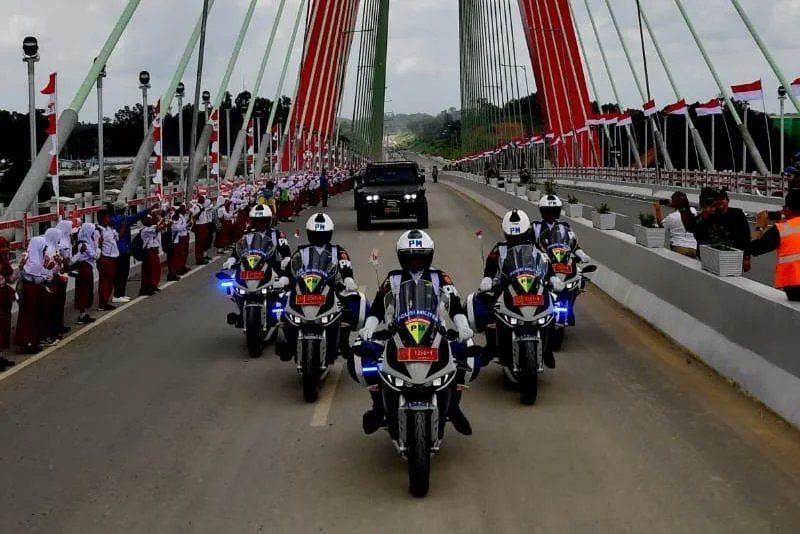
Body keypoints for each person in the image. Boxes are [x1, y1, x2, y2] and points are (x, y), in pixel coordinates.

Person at [356, 229, 475, 436]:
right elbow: (377, 307)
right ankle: (378, 406)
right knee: (369, 360)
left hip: (435, 332)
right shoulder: (392, 279)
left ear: (429, 256)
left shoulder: (441, 278)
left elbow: (455, 305)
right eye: (410, 258)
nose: (416, 261)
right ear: (401, 258)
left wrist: (463, 325)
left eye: (421, 257)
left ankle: (453, 406)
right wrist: (369, 326)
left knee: (464, 358)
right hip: (399, 333)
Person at [476, 209, 563, 368]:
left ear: (526, 232)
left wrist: (553, 278)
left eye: (519, 235)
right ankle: (492, 348)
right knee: (488, 310)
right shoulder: (500, 248)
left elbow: (547, 263)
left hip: (533, 289)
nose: (516, 239)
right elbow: (490, 267)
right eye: (512, 236)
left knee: (551, 312)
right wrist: (487, 279)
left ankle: (547, 349)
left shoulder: (536, 249)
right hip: (506, 289)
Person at [275, 213, 359, 362]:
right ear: (309, 234)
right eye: (315, 235)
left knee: (348, 307)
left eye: (323, 235)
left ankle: (343, 343)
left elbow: (346, 266)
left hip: (330, 287)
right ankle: (288, 343)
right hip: (304, 287)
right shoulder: (301, 250)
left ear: (329, 234)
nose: (319, 239)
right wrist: (284, 278)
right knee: (283, 304)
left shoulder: (338, 251)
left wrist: (348, 279)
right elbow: (291, 268)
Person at [221, 204, 291, 327]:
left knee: (285, 285)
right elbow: (237, 251)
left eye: (263, 221)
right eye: (257, 221)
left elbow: (286, 252)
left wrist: (286, 260)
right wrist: (230, 261)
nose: (260, 224)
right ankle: (241, 312)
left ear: (268, 221)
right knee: (231, 284)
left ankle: (282, 314)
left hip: (271, 269)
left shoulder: (278, 234)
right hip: (249, 269)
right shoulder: (246, 234)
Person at [750, 189, 800, 301]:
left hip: (796, 288)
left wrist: (760, 226)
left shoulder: (782, 229)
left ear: (788, 208)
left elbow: (754, 248)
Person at [689, 187, 752, 270]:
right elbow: (696, 232)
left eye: (722, 198)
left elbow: (745, 236)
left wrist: (747, 257)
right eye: (717, 199)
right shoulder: (708, 215)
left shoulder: (737, 214)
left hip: (732, 257)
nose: (720, 201)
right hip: (708, 256)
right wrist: (705, 216)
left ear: (728, 200)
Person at [104, 201, 151, 304]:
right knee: (121, 274)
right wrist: (149, 209)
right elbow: (136, 216)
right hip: (122, 250)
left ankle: (121, 294)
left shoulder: (115, 218)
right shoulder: (121, 219)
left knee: (123, 274)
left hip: (121, 250)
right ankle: (117, 295)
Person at [15, 237, 55, 353]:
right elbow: (38, 279)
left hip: (29, 290)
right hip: (31, 290)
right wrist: (47, 271)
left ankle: (29, 341)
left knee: (27, 316)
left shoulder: (29, 259)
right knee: (30, 317)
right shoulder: (34, 263)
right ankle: (28, 342)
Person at [654, 192, 698, 258]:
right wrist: (674, 203)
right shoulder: (693, 210)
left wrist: (657, 209)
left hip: (678, 247)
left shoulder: (671, 217)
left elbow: (660, 225)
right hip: (694, 248)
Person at [0, 236, 21, 370]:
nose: (6, 254)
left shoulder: (5, 263)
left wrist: (21, 267)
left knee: (4, 326)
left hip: (4, 298)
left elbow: (11, 279)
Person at [71, 223, 99, 324]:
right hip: (84, 268)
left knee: (87, 290)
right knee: (83, 291)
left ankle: (83, 313)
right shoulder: (83, 244)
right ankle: (82, 315)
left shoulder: (88, 242)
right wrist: (97, 244)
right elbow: (94, 255)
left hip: (87, 267)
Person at [96, 209, 119, 311]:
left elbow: (116, 239)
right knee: (105, 280)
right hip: (105, 258)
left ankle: (106, 300)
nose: (109, 219)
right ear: (103, 219)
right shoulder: (98, 231)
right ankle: (102, 302)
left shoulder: (109, 229)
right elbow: (97, 245)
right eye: (107, 217)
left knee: (110, 280)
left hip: (113, 257)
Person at [140, 214, 167, 296]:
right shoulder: (144, 230)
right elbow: (158, 228)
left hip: (155, 251)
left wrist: (162, 219)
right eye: (148, 219)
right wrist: (164, 224)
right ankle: (148, 287)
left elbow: (159, 225)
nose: (150, 220)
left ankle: (154, 285)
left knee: (157, 269)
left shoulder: (152, 227)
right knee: (150, 270)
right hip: (149, 251)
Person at [191, 196, 214, 265]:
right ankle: (199, 259)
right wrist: (201, 211)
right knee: (199, 244)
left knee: (202, 243)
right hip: (200, 225)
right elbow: (194, 216)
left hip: (203, 225)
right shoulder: (198, 207)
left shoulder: (201, 206)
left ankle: (201, 257)